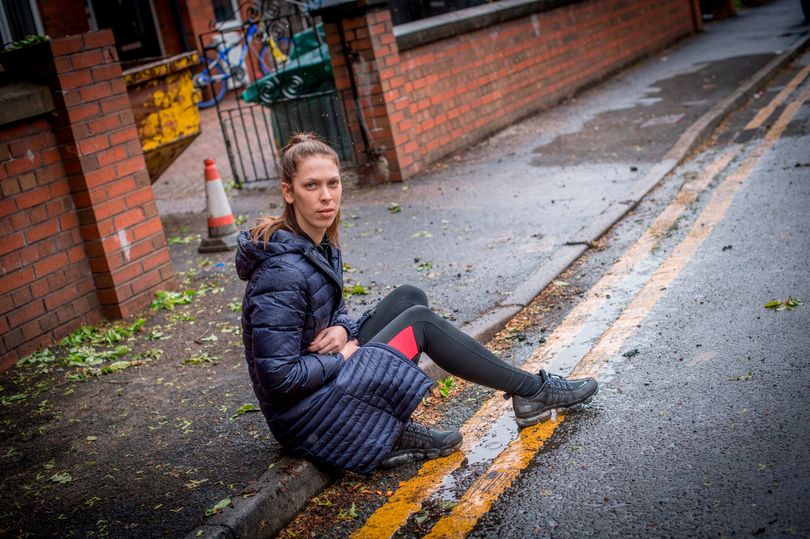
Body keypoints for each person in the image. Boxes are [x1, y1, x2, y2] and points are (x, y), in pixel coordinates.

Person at [236, 133, 598, 474]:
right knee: (419, 323)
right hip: (307, 418)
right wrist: (342, 355)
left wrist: (344, 329)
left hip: (326, 386)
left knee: (409, 297)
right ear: (288, 192)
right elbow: (279, 378)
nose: (326, 196)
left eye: (333, 183)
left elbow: (334, 312)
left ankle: (384, 426)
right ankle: (532, 391)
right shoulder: (281, 273)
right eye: (311, 186)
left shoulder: (318, 245)